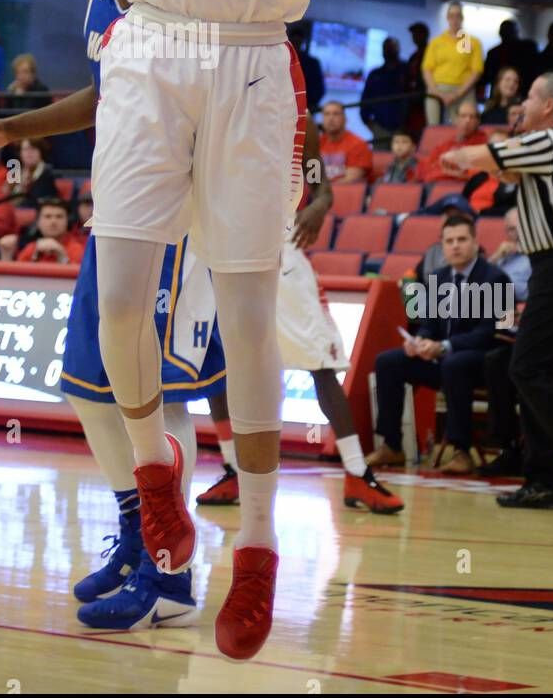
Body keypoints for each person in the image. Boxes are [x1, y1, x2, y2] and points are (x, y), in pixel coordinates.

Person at [46, 0, 408, 659]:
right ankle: (155, 476)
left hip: (254, 60)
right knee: (119, 296)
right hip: (153, 50)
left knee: (250, 317)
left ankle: (253, 549)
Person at [0, 0, 226, 632]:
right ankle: (140, 531)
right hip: (118, 210)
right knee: (88, 383)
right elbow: (101, 97)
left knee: (161, 393)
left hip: (175, 216)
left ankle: (172, 575)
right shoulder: (105, 0)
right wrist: (10, 130)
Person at [197, 115, 403, 514]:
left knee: (320, 364)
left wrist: (321, 207)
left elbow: (322, 187)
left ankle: (357, 474)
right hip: (221, 250)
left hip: (281, 253)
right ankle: (234, 467)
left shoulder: (297, 122)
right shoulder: (213, 111)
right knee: (218, 363)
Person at [441, 73, 553, 510]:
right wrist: (481, 158)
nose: (523, 104)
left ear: (549, 106)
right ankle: (545, 479)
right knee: (531, 371)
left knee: (527, 369)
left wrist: (458, 155)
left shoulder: (552, 141)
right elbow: (505, 165)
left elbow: (490, 154)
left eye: (529, 97)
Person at [368, 213, 511, 475]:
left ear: (476, 243)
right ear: (442, 246)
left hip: (483, 362)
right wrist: (420, 340)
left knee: (455, 364)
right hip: (443, 359)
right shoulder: (437, 277)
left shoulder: (497, 278)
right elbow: (428, 324)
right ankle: (392, 444)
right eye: (449, 241)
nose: (455, 246)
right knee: (388, 361)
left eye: (462, 239)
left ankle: (461, 450)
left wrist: (445, 346)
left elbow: (491, 333)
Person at [421, 1, 484, 124]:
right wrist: (436, 92)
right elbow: (427, 69)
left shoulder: (471, 42)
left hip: (463, 90)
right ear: (447, 18)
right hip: (437, 88)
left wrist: (456, 94)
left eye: (458, 16)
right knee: (434, 127)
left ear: (462, 18)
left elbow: (476, 71)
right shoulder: (436, 42)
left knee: (463, 125)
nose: (454, 20)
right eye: (451, 16)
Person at [3, 197, 86, 265]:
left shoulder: (78, 250)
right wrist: (6, 255)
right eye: (48, 216)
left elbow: (81, 282)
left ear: (67, 222)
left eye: (59, 216)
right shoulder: (30, 249)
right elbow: (16, 281)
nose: (53, 221)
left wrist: (62, 257)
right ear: (38, 223)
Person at [417, 101, 486, 182]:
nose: (467, 120)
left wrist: (447, 172)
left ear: (478, 122)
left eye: (472, 117)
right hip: (435, 186)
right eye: (463, 116)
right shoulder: (446, 144)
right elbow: (424, 169)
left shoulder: (483, 144)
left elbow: (476, 174)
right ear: (456, 119)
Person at [360, 37, 408, 145]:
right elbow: (365, 100)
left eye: (392, 48)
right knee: (379, 158)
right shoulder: (375, 74)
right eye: (386, 48)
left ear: (398, 50)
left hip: (403, 127)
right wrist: (367, 121)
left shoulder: (406, 70)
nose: (389, 51)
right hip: (380, 126)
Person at [481, 20, 538, 97]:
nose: (508, 35)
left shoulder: (528, 48)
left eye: (509, 32)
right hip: (499, 96)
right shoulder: (494, 53)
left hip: (523, 93)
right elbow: (487, 77)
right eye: (505, 32)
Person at [319, 100, 373, 182]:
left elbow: (350, 180)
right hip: (319, 192)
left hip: (346, 193)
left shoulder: (358, 144)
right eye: (327, 114)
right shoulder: (316, 143)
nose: (331, 118)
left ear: (345, 119)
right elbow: (309, 176)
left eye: (336, 114)